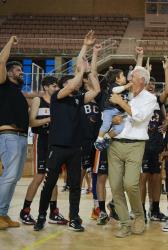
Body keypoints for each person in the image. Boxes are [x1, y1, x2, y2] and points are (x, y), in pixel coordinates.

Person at [34, 31, 100, 232]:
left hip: (75, 149)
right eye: (73, 82)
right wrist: (84, 50)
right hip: (57, 147)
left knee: (75, 186)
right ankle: (42, 216)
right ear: (64, 85)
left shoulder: (78, 99)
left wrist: (88, 71)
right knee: (49, 184)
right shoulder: (58, 96)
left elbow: (96, 90)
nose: (77, 84)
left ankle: (74, 218)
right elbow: (73, 81)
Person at [107, 65, 156, 238]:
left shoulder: (150, 98)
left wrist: (121, 103)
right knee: (115, 186)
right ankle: (125, 223)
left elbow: (140, 117)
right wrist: (113, 118)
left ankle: (139, 216)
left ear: (142, 80)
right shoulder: (125, 94)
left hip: (136, 145)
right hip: (114, 144)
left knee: (130, 184)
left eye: (132, 77)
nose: (128, 80)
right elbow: (111, 115)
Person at [20, 76, 68, 226]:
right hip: (41, 140)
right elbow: (31, 122)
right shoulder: (37, 100)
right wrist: (48, 119)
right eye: (54, 86)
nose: (57, 89)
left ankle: (53, 212)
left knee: (52, 177)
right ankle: (25, 210)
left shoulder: (58, 102)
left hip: (55, 142)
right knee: (39, 176)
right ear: (46, 87)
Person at [0, 36, 29, 230]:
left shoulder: (18, 91)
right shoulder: (2, 84)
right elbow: (1, 60)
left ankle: (3, 213)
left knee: (15, 177)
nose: (21, 72)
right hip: (8, 135)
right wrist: (10, 41)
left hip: (21, 137)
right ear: (8, 72)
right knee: (9, 176)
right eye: (18, 70)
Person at [140, 79, 167, 222]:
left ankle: (155, 209)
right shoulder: (138, 99)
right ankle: (140, 210)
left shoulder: (158, 101)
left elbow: (165, 119)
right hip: (142, 144)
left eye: (153, 84)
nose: (151, 86)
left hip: (157, 144)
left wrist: (166, 124)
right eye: (148, 83)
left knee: (156, 177)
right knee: (143, 177)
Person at [94, 68, 130, 151]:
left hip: (119, 112)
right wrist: (126, 86)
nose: (124, 77)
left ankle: (107, 136)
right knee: (106, 125)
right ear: (117, 79)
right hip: (109, 110)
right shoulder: (114, 86)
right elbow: (115, 90)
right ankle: (99, 140)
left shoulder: (124, 89)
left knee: (120, 128)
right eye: (123, 76)